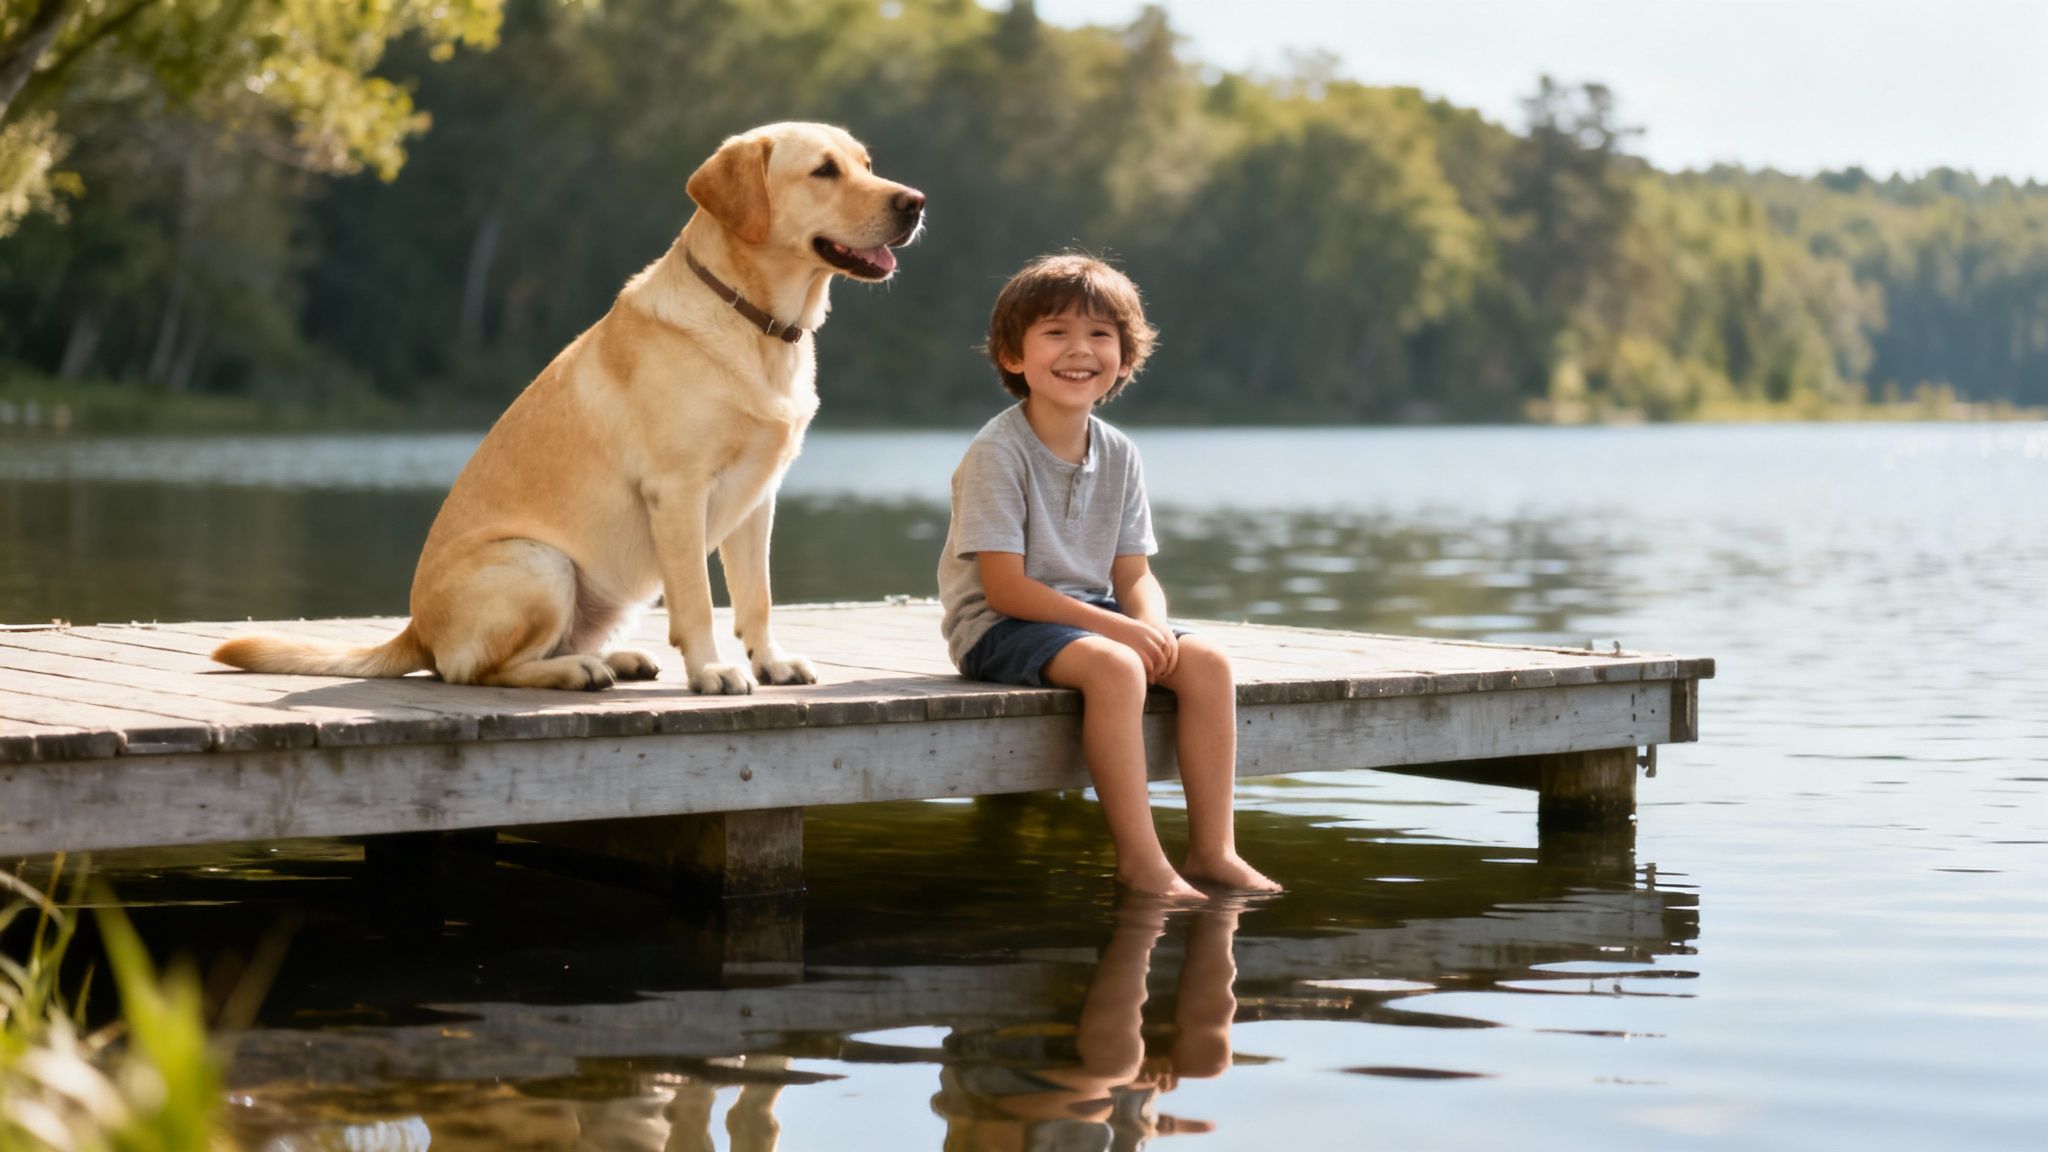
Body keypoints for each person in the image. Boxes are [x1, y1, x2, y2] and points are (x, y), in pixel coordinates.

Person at [938, 252, 1280, 899]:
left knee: (1206, 661)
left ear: (1124, 359)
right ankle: (1142, 862)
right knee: (1117, 667)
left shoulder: (1119, 452)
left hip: (1087, 615)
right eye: (1055, 332)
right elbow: (1005, 589)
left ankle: (1213, 852)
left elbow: (1135, 573)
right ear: (1014, 356)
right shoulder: (997, 451)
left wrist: (1148, 624)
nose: (1079, 350)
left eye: (1100, 334)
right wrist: (1118, 634)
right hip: (999, 626)